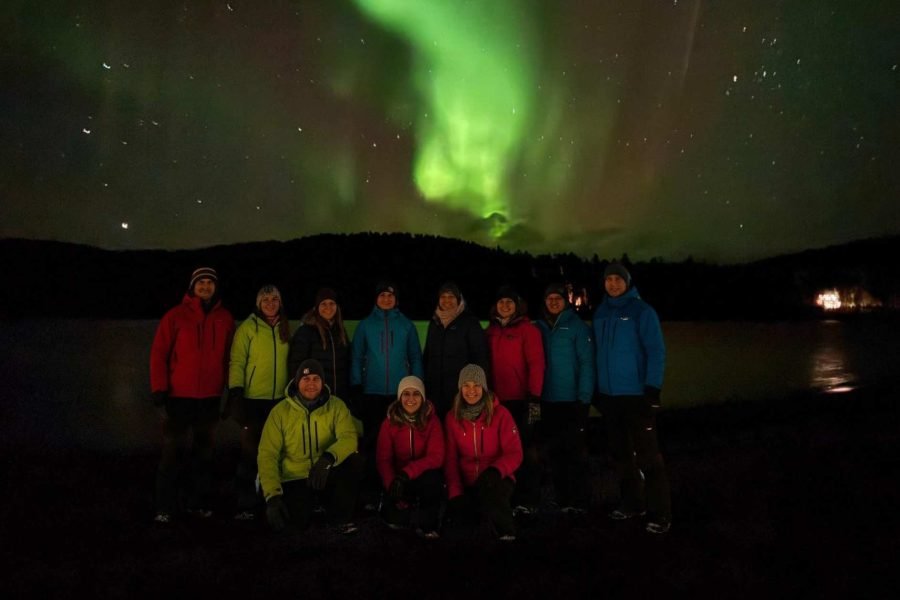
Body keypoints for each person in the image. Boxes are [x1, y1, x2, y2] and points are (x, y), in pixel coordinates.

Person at [150, 267, 235, 523]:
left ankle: (197, 503)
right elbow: (159, 353)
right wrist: (159, 388)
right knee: (172, 451)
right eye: (201, 282)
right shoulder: (175, 316)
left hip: (209, 398)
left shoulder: (225, 319)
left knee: (203, 454)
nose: (205, 286)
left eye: (210, 282)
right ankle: (164, 507)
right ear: (192, 287)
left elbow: (231, 358)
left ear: (215, 287)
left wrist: (232, 391)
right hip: (179, 397)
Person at [592, 262, 672, 534]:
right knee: (621, 455)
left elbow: (656, 351)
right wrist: (597, 390)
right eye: (609, 279)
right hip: (610, 398)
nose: (613, 284)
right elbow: (598, 354)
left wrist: (652, 389)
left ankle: (660, 513)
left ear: (627, 283)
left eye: (618, 279)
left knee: (648, 457)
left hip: (637, 396)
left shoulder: (642, 311)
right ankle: (632, 503)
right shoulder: (600, 312)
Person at [257, 359, 364, 534]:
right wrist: (272, 495)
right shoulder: (279, 412)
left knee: (355, 461)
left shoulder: (336, 406)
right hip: (295, 477)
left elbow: (349, 438)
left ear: (323, 382)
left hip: (326, 472)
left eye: (316, 379)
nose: (311, 384)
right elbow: (267, 454)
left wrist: (328, 458)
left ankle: (338, 517)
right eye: (306, 379)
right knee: (292, 524)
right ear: (297, 382)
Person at [226, 285, 290, 520]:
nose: (270, 303)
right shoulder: (248, 328)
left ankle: (273, 499)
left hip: (279, 400)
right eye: (265, 300)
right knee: (250, 452)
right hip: (253, 400)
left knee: (276, 452)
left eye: (274, 299)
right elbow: (237, 361)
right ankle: (245, 502)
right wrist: (236, 393)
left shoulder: (285, 327)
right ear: (258, 304)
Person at [444, 364, 522, 541]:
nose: (471, 390)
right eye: (466, 385)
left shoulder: (501, 414)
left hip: (496, 478)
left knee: (493, 501)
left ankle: (507, 534)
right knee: (458, 526)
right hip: (467, 481)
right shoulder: (452, 417)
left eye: (477, 385)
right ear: (460, 389)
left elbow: (515, 452)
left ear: (484, 388)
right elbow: (450, 459)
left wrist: (495, 471)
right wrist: (455, 492)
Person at [484, 285, 544, 515]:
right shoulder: (490, 332)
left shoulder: (529, 330)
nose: (505, 306)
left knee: (528, 448)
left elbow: (537, 364)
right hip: (498, 403)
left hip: (525, 401)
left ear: (517, 306)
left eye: (510, 302)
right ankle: (506, 497)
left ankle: (529, 500)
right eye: (501, 302)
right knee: (502, 451)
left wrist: (534, 397)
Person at [535, 283, 595, 513]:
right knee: (555, 452)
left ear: (565, 301)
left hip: (571, 401)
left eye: (557, 298)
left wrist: (584, 398)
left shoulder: (577, 327)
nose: (553, 302)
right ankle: (563, 500)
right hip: (546, 400)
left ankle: (581, 500)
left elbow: (587, 364)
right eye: (549, 298)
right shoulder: (538, 327)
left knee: (576, 452)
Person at [350, 281, 424, 463]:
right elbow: (356, 357)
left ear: (396, 300)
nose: (386, 299)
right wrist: (356, 385)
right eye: (382, 295)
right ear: (376, 299)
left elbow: (415, 357)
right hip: (372, 392)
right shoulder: (365, 325)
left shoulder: (406, 326)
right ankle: (371, 473)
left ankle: (398, 473)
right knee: (372, 438)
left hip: (400, 394)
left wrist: (417, 386)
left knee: (398, 437)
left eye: (390, 295)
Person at [375, 376, 445, 538]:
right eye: (406, 394)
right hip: (398, 479)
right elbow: (383, 459)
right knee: (394, 520)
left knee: (433, 480)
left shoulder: (432, 421)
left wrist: (407, 472)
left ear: (423, 397)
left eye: (416, 394)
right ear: (400, 398)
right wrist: (392, 484)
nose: (411, 399)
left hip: (421, 475)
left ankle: (428, 523)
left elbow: (437, 456)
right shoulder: (389, 423)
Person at [423, 281, 488, 418]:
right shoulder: (434, 323)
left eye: (451, 297)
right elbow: (427, 356)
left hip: (461, 391)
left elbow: (480, 357)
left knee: (457, 424)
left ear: (459, 300)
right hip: (435, 391)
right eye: (443, 296)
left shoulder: (470, 322)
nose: (447, 300)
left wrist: (479, 387)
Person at [288, 287, 352, 400]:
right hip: (316, 396)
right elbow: (296, 365)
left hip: (339, 395)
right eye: (323, 304)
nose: (328, 307)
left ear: (337, 307)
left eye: (332, 303)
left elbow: (346, 363)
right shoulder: (306, 331)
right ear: (317, 307)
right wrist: (301, 392)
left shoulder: (340, 331)